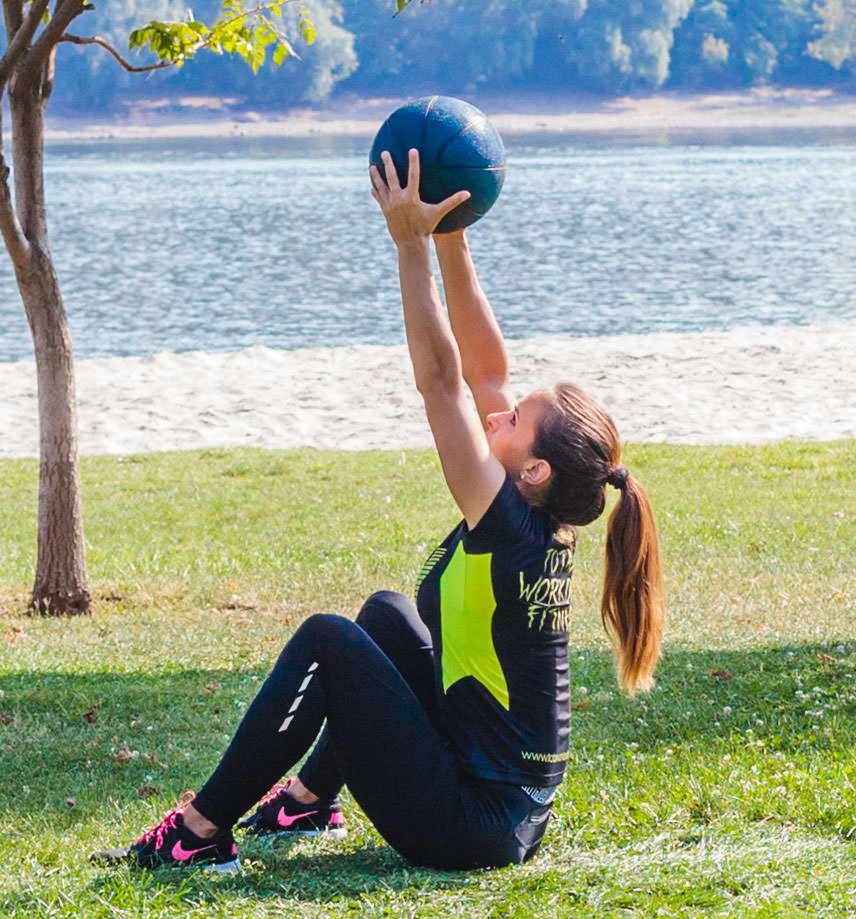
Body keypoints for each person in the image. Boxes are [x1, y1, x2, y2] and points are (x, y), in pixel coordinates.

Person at [94, 149, 664, 873]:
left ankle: (196, 833)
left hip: (472, 823)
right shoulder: (537, 508)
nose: (500, 409)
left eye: (515, 416)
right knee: (390, 615)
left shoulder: (509, 525)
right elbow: (484, 370)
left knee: (329, 640)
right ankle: (305, 799)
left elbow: (441, 382)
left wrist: (411, 246)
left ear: (535, 467)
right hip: (500, 809)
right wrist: (454, 235)